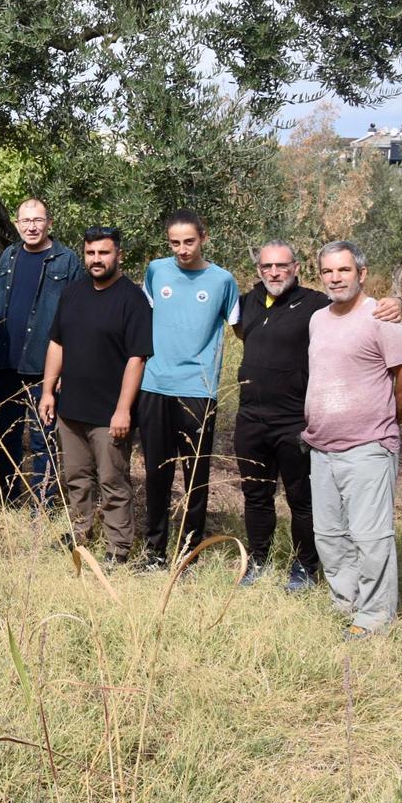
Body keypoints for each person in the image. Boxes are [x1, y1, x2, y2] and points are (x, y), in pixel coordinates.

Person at [233, 241, 402, 590]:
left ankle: (304, 567)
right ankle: (258, 560)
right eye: (267, 267)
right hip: (250, 418)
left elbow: (355, 304)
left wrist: (400, 303)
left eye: (282, 265)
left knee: (302, 500)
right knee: (256, 495)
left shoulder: (315, 304)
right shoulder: (246, 302)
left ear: (296, 267)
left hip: (295, 421)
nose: (274, 272)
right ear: (258, 270)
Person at [303, 241, 402, 640]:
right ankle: (346, 602)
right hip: (321, 448)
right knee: (330, 536)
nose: (336, 278)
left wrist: (385, 425)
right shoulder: (318, 319)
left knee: (372, 537)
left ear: (362, 274)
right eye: (328, 272)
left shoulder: (383, 319)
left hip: (368, 447)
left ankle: (374, 618)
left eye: (344, 270)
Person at [37, 227, 151, 565]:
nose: (96, 259)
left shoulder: (132, 300)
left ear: (119, 255)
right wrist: (47, 391)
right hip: (71, 409)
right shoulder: (73, 293)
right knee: (75, 478)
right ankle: (80, 534)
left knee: (113, 482)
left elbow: (137, 358)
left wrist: (123, 411)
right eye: (90, 253)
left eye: (103, 252)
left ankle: (118, 549)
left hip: (109, 414)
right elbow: (57, 343)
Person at [136, 210, 240, 569]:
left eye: (189, 242)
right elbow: (140, 316)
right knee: (156, 473)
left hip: (198, 389)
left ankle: (189, 553)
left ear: (204, 238)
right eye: (175, 242)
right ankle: (155, 552)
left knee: (195, 477)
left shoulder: (223, 281)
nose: (182, 250)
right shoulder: (156, 270)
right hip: (154, 385)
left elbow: (244, 326)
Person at [0, 198, 84, 504]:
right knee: (8, 435)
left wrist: (67, 368)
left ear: (49, 223)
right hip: (7, 365)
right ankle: (10, 498)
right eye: (25, 221)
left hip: (45, 367)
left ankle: (46, 503)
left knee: (44, 438)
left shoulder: (66, 260)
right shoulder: (9, 256)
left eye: (37, 220)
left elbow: (76, 318)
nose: (31, 227)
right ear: (17, 224)